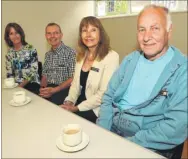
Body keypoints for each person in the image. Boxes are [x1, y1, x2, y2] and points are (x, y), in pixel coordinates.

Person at [97, 5, 187, 159]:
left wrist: (127, 143)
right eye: (141, 29)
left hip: (149, 144)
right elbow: (108, 97)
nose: (146, 37)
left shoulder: (182, 70)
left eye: (155, 28)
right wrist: (102, 132)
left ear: (169, 31)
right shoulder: (130, 60)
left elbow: (176, 127)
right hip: (111, 132)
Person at [60, 16, 119, 123]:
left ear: (100, 34)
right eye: (84, 30)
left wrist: (76, 108)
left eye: (93, 30)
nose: (88, 35)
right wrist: (69, 101)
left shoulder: (111, 56)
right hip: (80, 102)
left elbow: (103, 94)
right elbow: (75, 85)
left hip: (97, 108)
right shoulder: (81, 56)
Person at [39, 23, 76, 105]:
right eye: (49, 33)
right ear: (46, 36)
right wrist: (42, 89)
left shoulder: (71, 53)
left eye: (55, 33)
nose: (52, 36)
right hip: (49, 88)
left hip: (64, 90)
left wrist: (54, 90)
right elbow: (44, 76)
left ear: (61, 35)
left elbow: (73, 78)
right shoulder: (47, 55)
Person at [4, 23, 40, 94]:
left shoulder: (30, 49)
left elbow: (33, 71)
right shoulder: (9, 53)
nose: (15, 36)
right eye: (11, 33)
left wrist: (20, 86)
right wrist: (11, 85)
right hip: (16, 84)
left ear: (21, 34)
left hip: (31, 83)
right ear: (8, 37)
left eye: (17, 33)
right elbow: (9, 73)